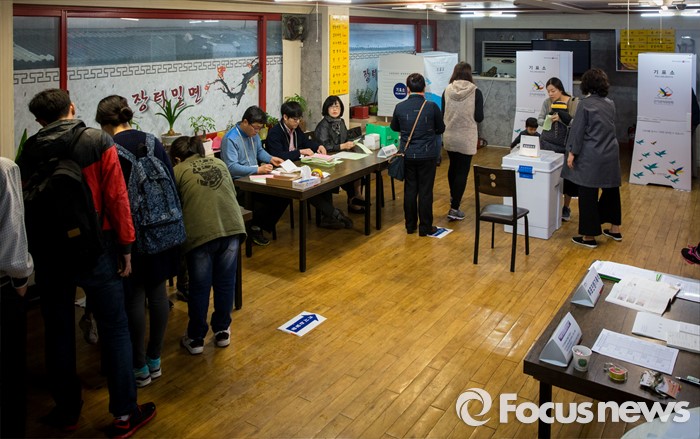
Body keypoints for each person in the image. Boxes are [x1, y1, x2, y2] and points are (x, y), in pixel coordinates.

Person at [16, 88, 155, 438]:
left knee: (58, 330)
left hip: (50, 252)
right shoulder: (96, 141)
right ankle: (124, 413)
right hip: (98, 246)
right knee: (115, 327)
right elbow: (116, 196)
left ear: (39, 121)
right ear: (72, 108)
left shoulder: (30, 149)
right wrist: (126, 245)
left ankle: (66, 411)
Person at [96, 95, 178, 388]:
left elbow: (112, 199)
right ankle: (155, 359)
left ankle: (139, 366)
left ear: (104, 123)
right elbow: (171, 182)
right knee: (158, 293)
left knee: (134, 296)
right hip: (162, 228)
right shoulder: (153, 141)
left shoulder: (109, 149)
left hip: (131, 233)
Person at [170, 136, 246, 355]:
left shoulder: (177, 171)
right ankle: (222, 331)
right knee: (225, 283)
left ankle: (196, 338)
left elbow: (175, 205)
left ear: (177, 158)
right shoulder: (219, 163)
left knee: (199, 287)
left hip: (201, 233)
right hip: (232, 228)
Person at [266, 101, 353, 229]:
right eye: (294, 119)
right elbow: (278, 155)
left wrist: (318, 146)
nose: (297, 122)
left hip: (297, 166)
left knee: (322, 178)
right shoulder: (275, 132)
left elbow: (306, 142)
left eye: (299, 119)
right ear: (285, 117)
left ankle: (328, 216)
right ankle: (334, 214)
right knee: (308, 188)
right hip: (282, 171)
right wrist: (300, 152)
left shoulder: (295, 129)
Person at [562, 69, 622, 249]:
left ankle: (588, 237)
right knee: (611, 190)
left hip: (591, 154)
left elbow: (578, 131)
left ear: (586, 84)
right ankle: (615, 229)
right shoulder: (610, 103)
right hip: (610, 153)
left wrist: (572, 153)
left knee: (587, 193)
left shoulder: (585, 104)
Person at [0, 157, 34, 438]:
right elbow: (13, 234)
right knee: (9, 372)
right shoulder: (4, 169)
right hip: (4, 288)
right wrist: (21, 278)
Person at [390, 73, 446, 236]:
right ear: (424, 88)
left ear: (407, 89)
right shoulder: (431, 107)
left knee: (410, 189)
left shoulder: (400, 107)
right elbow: (441, 129)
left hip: (407, 155)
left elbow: (394, 127)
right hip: (427, 155)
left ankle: (410, 225)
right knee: (425, 191)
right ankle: (425, 227)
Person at [221, 105, 285, 245]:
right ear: (245, 122)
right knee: (265, 200)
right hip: (239, 184)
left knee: (283, 195)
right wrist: (257, 169)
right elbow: (231, 168)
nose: (257, 132)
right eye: (255, 128)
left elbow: (259, 151)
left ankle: (258, 225)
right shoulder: (230, 139)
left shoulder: (253, 135)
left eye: (259, 129)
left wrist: (270, 158)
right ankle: (253, 228)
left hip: (255, 178)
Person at [441, 62, 484, 221]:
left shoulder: (446, 90)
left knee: (453, 167)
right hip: (466, 137)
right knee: (462, 172)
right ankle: (454, 207)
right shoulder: (476, 92)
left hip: (449, 135)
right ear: (469, 74)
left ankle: (454, 197)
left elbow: (442, 114)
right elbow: (479, 117)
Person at [314, 95, 366, 214]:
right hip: (328, 161)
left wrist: (352, 142)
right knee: (348, 173)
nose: (335, 109)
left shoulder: (341, 122)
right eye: (331, 107)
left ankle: (356, 196)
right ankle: (353, 200)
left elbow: (345, 138)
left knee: (358, 169)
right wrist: (342, 146)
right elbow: (324, 146)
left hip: (342, 157)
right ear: (326, 108)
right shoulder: (323, 125)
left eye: (337, 106)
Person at [538, 77, 579, 222]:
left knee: (567, 178)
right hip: (547, 143)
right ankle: (548, 205)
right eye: (548, 91)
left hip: (566, 146)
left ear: (560, 89)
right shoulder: (547, 103)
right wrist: (547, 119)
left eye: (553, 91)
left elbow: (577, 124)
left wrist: (562, 119)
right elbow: (539, 120)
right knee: (548, 176)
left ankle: (566, 207)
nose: (550, 94)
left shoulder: (574, 102)